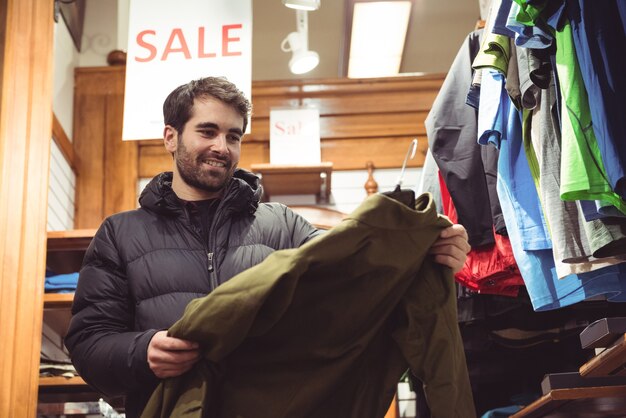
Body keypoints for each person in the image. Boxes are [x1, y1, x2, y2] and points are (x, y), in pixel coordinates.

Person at [65, 76, 471, 417]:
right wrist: (142, 351)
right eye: (207, 131)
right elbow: (88, 344)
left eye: (233, 135)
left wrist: (426, 255)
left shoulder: (283, 225)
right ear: (171, 137)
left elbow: (358, 284)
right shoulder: (121, 234)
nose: (222, 147)